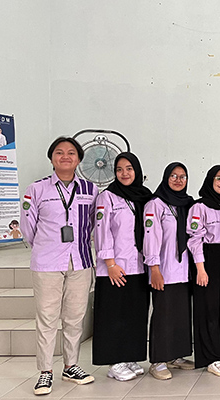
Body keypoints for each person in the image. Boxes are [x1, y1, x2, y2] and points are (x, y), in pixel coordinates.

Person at [20, 137, 98, 395]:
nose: (65, 156)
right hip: (47, 263)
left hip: (80, 260)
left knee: (75, 317)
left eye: (71, 152)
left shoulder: (90, 189)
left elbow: (93, 224)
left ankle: (70, 366)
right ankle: (45, 371)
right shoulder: (37, 189)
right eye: (59, 152)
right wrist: (46, 247)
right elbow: (28, 227)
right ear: (52, 158)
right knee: (47, 318)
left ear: (79, 159)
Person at [92, 152, 152, 381]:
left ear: (137, 170)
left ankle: (129, 356)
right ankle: (114, 362)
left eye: (129, 168)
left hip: (138, 266)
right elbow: (102, 231)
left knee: (135, 314)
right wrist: (110, 264)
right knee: (113, 315)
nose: (124, 173)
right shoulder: (107, 197)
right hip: (115, 268)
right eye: (119, 169)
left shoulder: (144, 196)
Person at [143, 162, 196, 380]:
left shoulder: (187, 204)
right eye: (173, 176)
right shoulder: (155, 204)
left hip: (183, 270)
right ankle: (158, 361)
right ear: (166, 178)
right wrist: (154, 268)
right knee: (163, 315)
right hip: (163, 269)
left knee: (181, 314)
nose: (178, 180)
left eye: (182, 176)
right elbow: (151, 238)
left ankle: (176, 356)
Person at [187, 165, 220, 377]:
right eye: (219, 179)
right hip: (207, 258)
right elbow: (194, 239)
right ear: (210, 180)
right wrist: (200, 268)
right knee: (208, 309)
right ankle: (210, 358)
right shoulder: (199, 206)